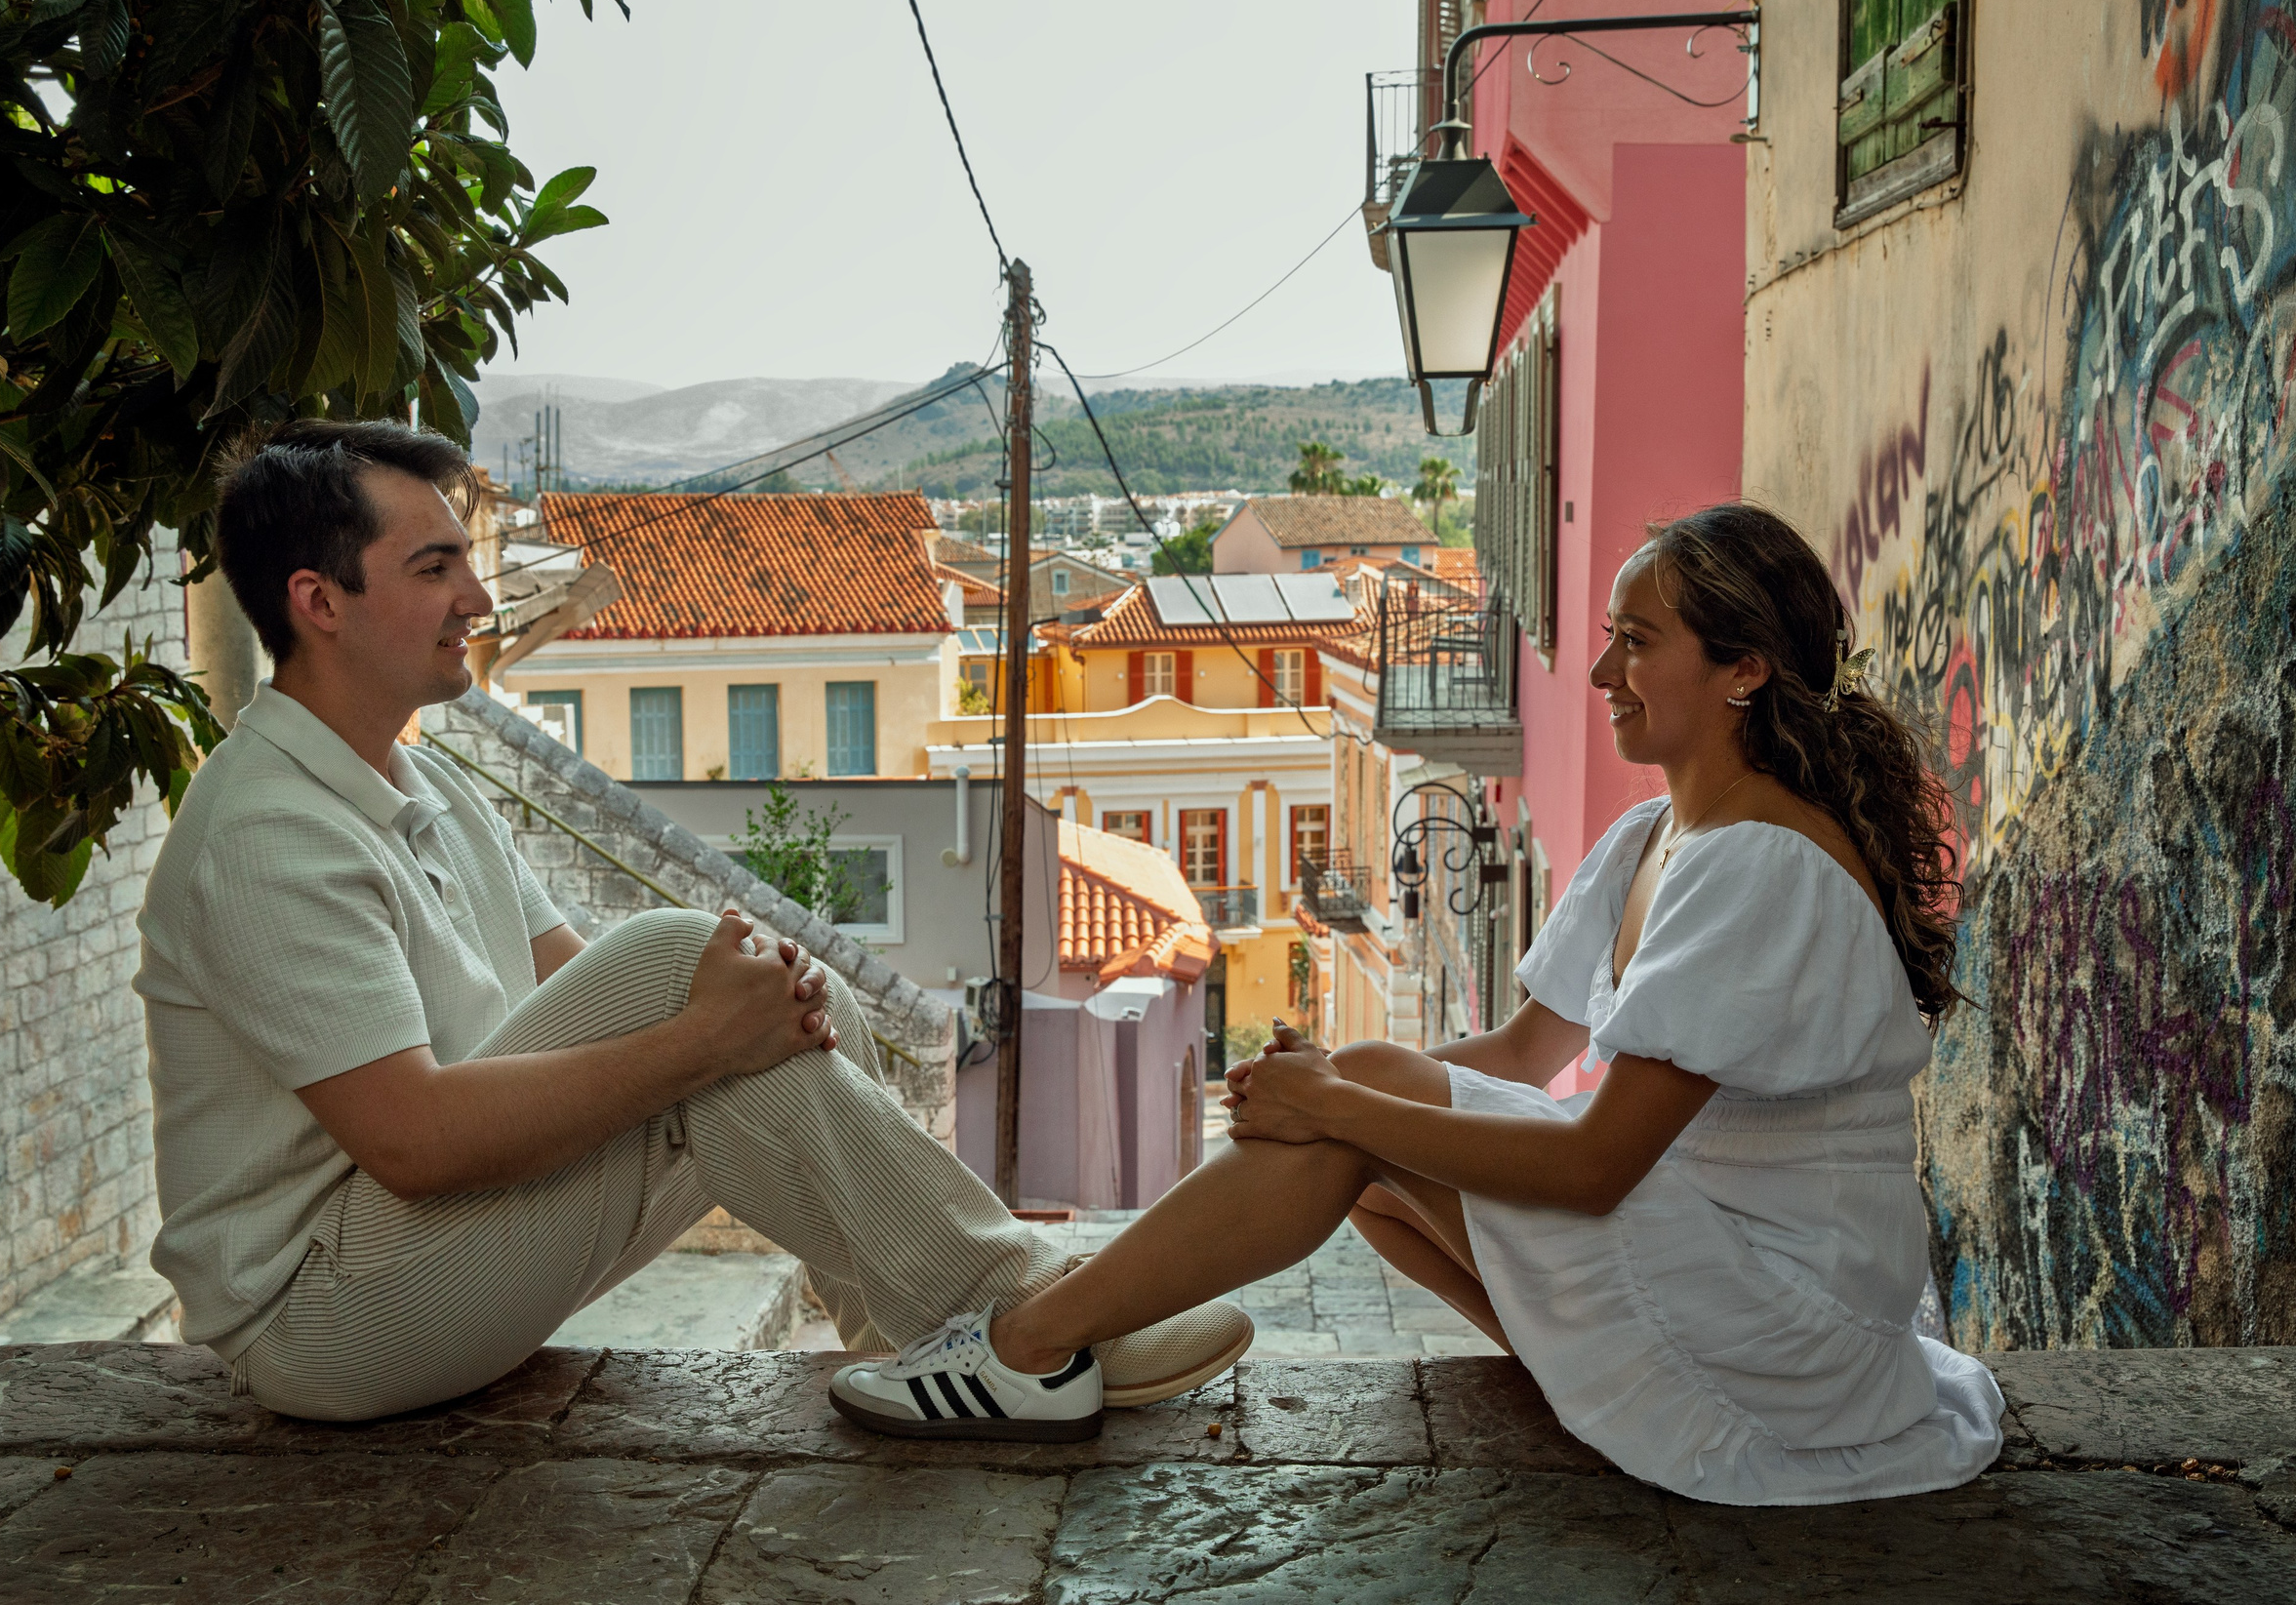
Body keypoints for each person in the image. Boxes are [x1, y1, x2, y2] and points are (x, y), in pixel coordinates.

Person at [832, 503, 2005, 1506]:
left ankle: (1027, 1348)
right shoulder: (1660, 831)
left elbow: (1597, 1165)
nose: (1600, 674)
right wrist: (1327, 1085)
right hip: (1720, 1256)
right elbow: (1522, 1050)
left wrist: (1335, 1105)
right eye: (1606, 638)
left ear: (1743, 668)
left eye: (1637, 643)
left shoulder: (1761, 866)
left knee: (1365, 1124)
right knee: (1372, 1152)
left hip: (1790, 1322)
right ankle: (1581, 1379)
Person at [136, 419, 1248, 1428]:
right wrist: (700, 1034)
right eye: (435, 569)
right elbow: (416, 1143)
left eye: (467, 561)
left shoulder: (427, 790)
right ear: (317, 603)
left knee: (760, 989)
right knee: (697, 986)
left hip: (425, 1249)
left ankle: (933, 1351)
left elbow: (579, 993)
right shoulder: (266, 836)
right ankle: (1036, 1318)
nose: (478, 599)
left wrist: (741, 1013)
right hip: (322, 1312)